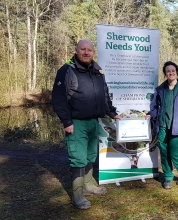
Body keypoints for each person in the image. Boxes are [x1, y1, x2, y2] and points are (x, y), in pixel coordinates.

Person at [52, 39, 121, 209]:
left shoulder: (97, 71)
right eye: (83, 49)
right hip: (76, 123)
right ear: (76, 51)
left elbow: (104, 95)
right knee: (78, 158)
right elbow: (58, 98)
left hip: (93, 121)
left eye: (89, 50)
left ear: (93, 52)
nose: (86, 52)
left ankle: (89, 186)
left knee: (91, 155)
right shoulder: (67, 70)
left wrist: (111, 112)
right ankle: (78, 195)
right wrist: (66, 121)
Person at [146, 61, 178, 189]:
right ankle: (168, 176)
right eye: (168, 71)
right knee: (164, 152)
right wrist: (151, 114)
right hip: (162, 127)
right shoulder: (160, 90)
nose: (171, 73)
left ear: (176, 72)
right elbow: (156, 107)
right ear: (165, 74)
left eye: (173, 70)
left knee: (175, 153)